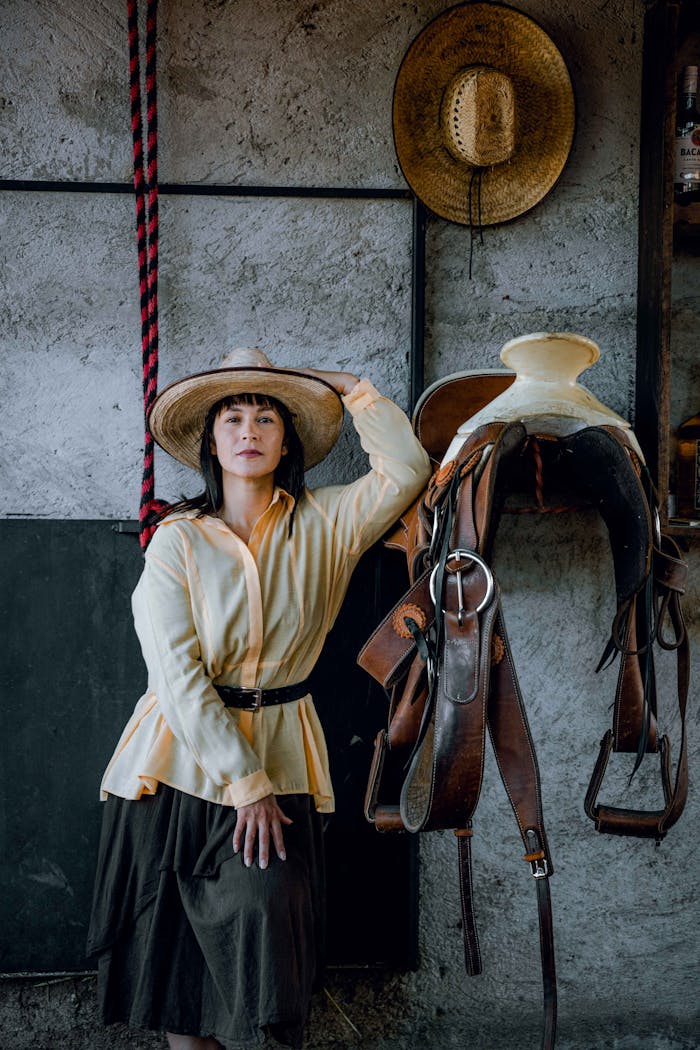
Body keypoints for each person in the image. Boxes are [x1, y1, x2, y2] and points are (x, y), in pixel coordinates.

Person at [86, 347, 432, 1050]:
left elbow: (408, 471)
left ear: (287, 439)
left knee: (268, 970)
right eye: (234, 418)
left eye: (267, 417)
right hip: (173, 771)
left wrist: (348, 389)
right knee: (181, 990)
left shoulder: (328, 524)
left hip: (283, 761)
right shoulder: (175, 544)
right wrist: (244, 785)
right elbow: (175, 678)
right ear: (211, 441)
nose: (249, 431)